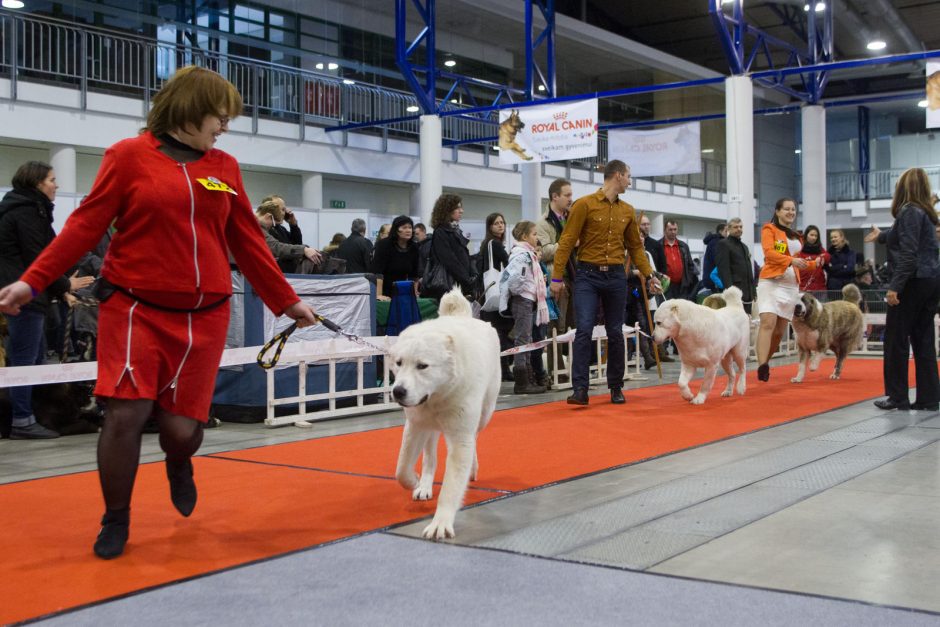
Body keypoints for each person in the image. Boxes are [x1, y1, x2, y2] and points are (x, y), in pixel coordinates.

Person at [0, 66, 318, 559]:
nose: (226, 126)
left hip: (205, 313)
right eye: (221, 115)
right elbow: (84, 227)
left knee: (180, 429)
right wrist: (31, 281)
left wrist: (287, 301)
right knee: (126, 414)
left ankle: (178, 461)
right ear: (191, 109)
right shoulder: (126, 157)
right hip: (133, 308)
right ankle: (116, 518)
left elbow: (248, 242)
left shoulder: (226, 167)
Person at [550, 160, 661, 406]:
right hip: (587, 276)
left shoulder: (628, 211)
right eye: (628, 176)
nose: (630, 181)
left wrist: (649, 275)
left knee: (615, 331)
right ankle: (580, 389)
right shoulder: (583, 205)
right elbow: (567, 242)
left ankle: (616, 387)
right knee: (584, 329)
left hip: (615, 276)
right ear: (618, 176)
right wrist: (556, 278)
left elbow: (635, 248)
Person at [0, 161, 95, 439]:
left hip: (27, 295)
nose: (57, 185)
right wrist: (66, 284)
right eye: (52, 180)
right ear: (37, 183)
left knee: (32, 360)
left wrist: (61, 289)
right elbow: (39, 258)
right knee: (25, 362)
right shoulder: (28, 213)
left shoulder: (25, 210)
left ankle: (30, 415)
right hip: (24, 297)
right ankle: (22, 419)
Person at [871, 168, 940, 410]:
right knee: (923, 339)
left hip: (912, 281)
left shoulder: (909, 211)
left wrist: (895, 287)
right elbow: (902, 235)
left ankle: (897, 396)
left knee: (896, 339)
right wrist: (882, 237)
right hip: (931, 281)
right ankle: (929, 398)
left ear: (904, 187)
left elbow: (909, 254)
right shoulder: (928, 213)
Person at [754, 198, 816, 382]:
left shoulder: (797, 236)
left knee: (780, 331)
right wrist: (790, 260)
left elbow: (800, 260)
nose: (791, 212)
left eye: (793, 209)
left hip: (790, 286)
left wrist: (814, 264)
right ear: (778, 211)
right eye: (787, 209)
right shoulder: (769, 229)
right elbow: (769, 253)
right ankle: (762, 366)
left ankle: (766, 361)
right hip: (771, 282)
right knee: (767, 322)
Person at [499, 221, 548, 394]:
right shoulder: (521, 255)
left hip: (527, 300)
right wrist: (523, 291)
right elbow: (514, 281)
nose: (537, 237)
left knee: (526, 339)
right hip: (522, 300)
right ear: (524, 236)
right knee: (522, 340)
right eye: (534, 234)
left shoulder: (529, 254)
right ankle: (522, 382)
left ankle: (528, 378)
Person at [536, 178, 574, 380]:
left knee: (573, 326)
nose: (570, 198)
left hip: (575, 277)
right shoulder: (542, 223)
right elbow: (543, 251)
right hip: (556, 280)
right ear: (555, 197)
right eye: (567, 195)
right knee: (556, 328)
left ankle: (573, 369)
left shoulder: (571, 218)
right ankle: (556, 372)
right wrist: (568, 243)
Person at [478, 212, 513, 381]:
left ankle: (501, 370)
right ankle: (504, 371)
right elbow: (509, 265)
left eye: (502, 222)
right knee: (502, 333)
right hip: (497, 295)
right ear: (490, 227)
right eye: (496, 223)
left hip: (488, 295)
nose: (501, 226)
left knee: (497, 334)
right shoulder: (496, 245)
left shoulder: (485, 244)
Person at [421, 193, 475, 300]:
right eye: (457, 208)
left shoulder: (455, 231)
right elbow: (450, 261)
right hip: (448, 288)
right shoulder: (441, 232)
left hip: (458, 285)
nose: (461, 211)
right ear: (447, 210)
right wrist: (467, 280)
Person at [255, 203, 320, 273]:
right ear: (268, 216)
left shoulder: (251, 225)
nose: (272, 227)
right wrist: (304, 250)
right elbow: (276, 247)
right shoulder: (256, 229)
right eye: (273, 223)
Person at [370, 214, 420, 301]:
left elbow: (414, 275)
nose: (408, 230)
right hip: (384, 289)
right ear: (396, 230)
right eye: (404, 227)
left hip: (402, 290)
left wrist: (414, 293)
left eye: (410, 227)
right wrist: (379, 295)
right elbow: (378, 273)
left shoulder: (414, 247)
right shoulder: (383, 245)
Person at [714, 217, 756, 314]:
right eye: (735, 227)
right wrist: (730, 292)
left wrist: (753, 291)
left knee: (747, 322)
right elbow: (723, 270)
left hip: (748, 292)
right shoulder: (723, 244)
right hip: (735, 291)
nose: (739, 229)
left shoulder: (744, 246)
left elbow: (749, 270)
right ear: (728, 229)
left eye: (741, 227)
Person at [658, 220, 697, 301]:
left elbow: (690, 265)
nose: (673, 232)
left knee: (681, 311)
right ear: (665, 230)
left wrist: (687, 280)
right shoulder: (658, 245)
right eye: (670, 229)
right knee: (667, 310)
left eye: (675, 229)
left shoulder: (684, 246)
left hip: (682, 286)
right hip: (665, 286)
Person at [796, 224, 829, 292]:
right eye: (811, 235)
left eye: (816, 236)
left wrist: (821, 257)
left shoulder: (820, 249)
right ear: (806, 235)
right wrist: (814, 260)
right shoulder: (799, 247)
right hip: (803, 287)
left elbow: (827, 256)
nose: (814, 238)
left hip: (819, 288)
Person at [700, 222, 728, 294]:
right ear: (720, 231)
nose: (727, 233)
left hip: (713, 280)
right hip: (714, 281)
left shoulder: (716, 241)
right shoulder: (716, 242)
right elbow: (718, 260)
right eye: (726, 231)